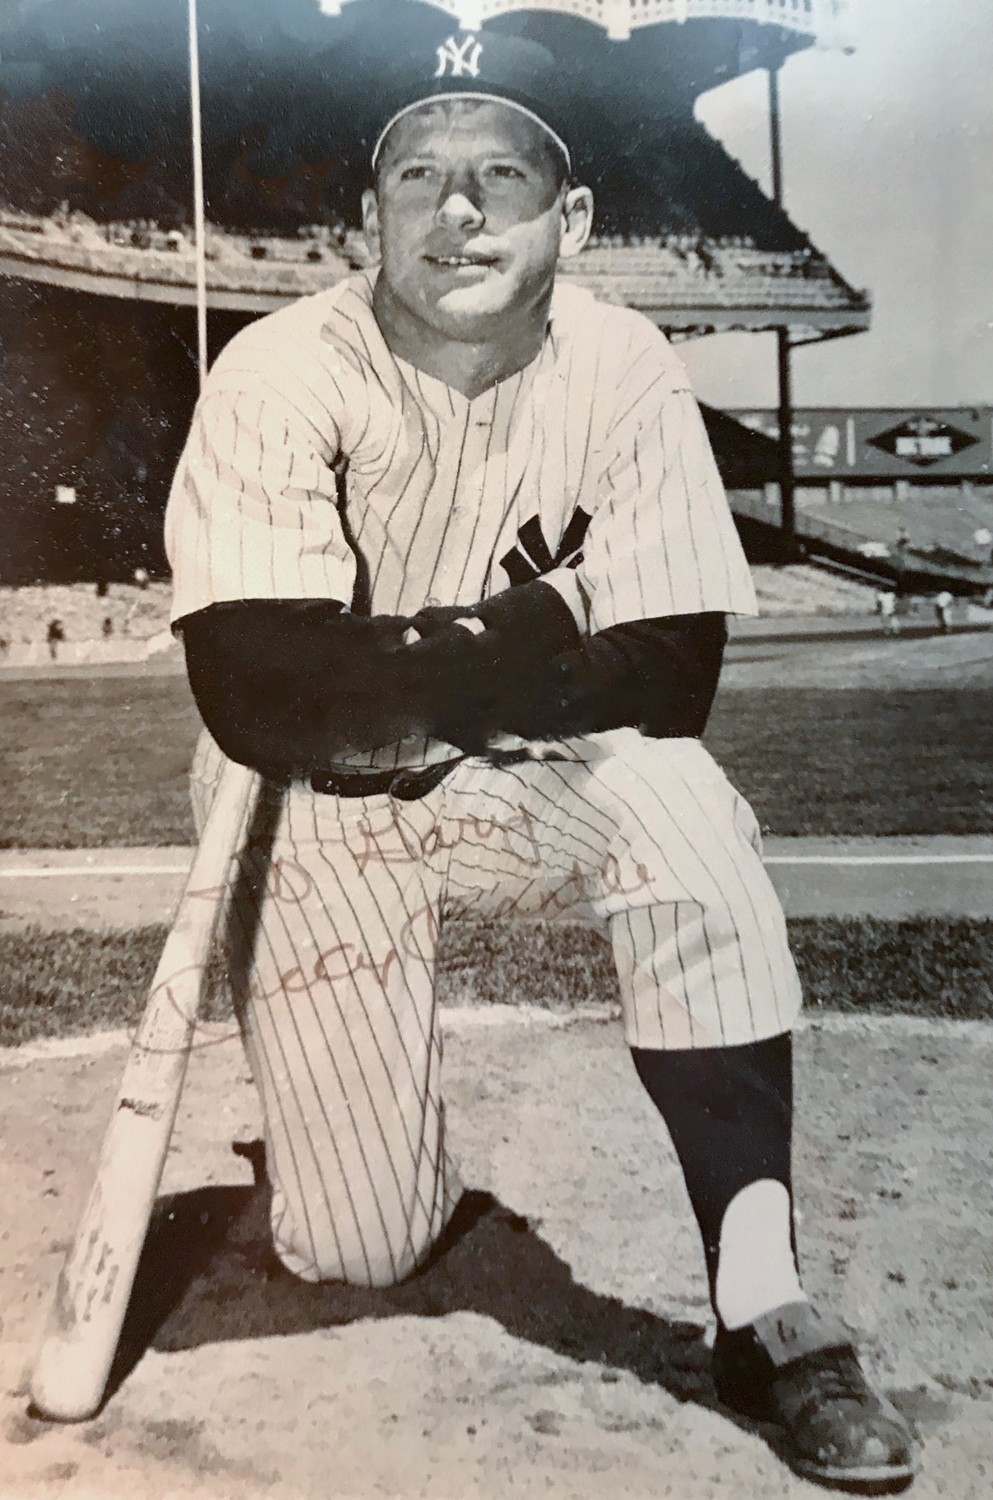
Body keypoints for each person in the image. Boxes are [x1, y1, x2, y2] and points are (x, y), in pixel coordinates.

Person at [165, 32, 914, 1491]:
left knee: (685, 817)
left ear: (567, 221)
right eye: (418, 177)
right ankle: (357, 1152)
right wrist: (536, 619)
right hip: (317, 806)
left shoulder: (625, 366)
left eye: (498, 176)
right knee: (354, 1248)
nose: (456, 211)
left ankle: (766, 1304)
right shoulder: (276, 369)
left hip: (526, 768)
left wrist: (406, 659)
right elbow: (262, 694)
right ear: (363, 217)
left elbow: (671, 674)